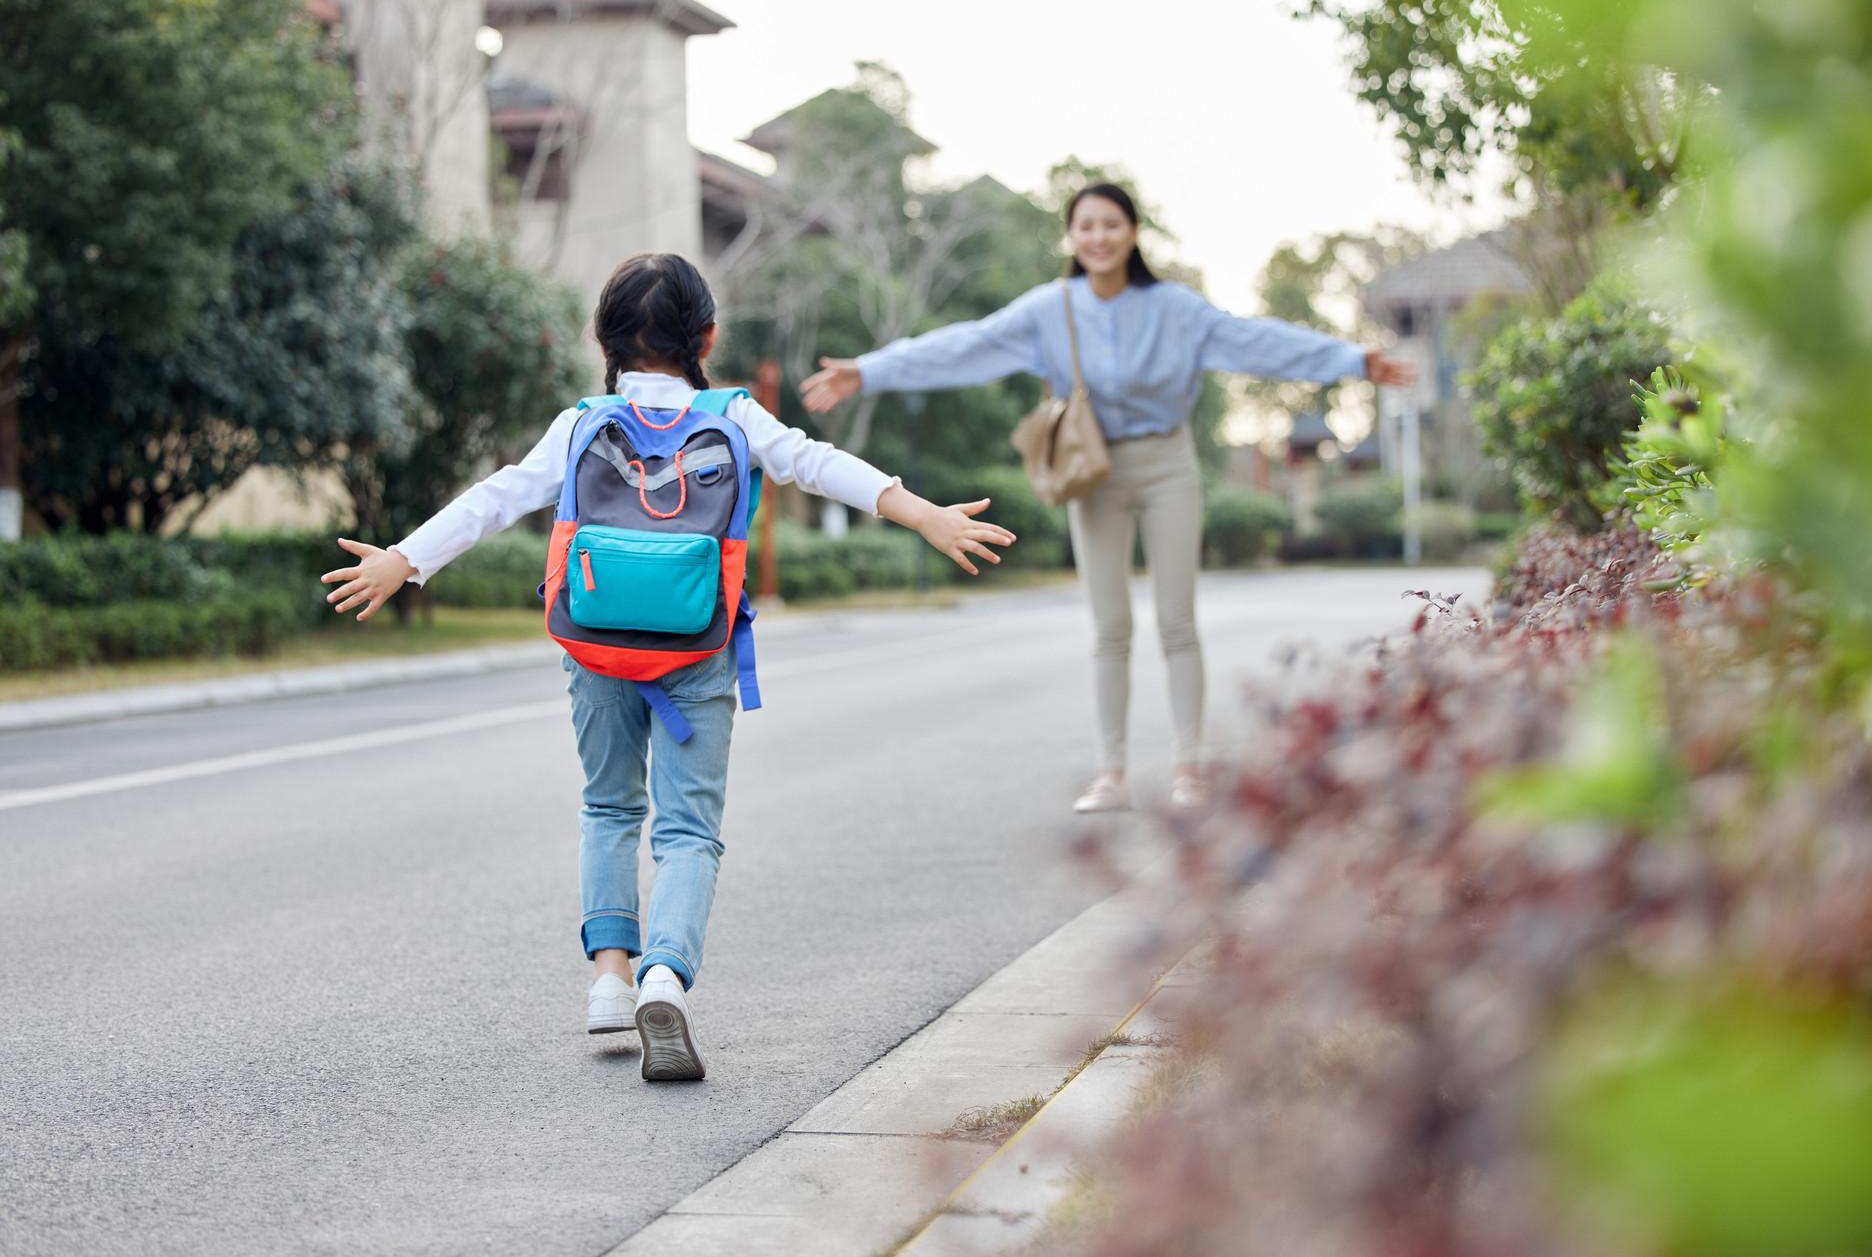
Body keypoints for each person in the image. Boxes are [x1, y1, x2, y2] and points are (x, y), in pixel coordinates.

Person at [321, 253, 1015, 1080]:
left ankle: (610, 980)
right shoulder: (735, 414)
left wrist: (404, 559)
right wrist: (922, 513)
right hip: (696, 648)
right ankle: (664, 976)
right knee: (687, 829)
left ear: (605, 341)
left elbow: (497, 496)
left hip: (597, 645)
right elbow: (817, 461)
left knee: (609, 807)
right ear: (708, 337)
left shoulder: (581, 422)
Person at [803, 183, 1413, 814]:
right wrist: (870, 370)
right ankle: (1112, 774)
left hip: (1167, 463)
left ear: (1132, 233)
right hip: (1089, 470)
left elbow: (1258, 342)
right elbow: (966, 345)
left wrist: (1350, 360)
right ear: (1072, 237)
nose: (1098, 237)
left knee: (1178, 621)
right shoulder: (1049, 309)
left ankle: (1189, 770)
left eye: (1110, 225)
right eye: (1086, 227)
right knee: (1110, 626)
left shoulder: (1176, 308)